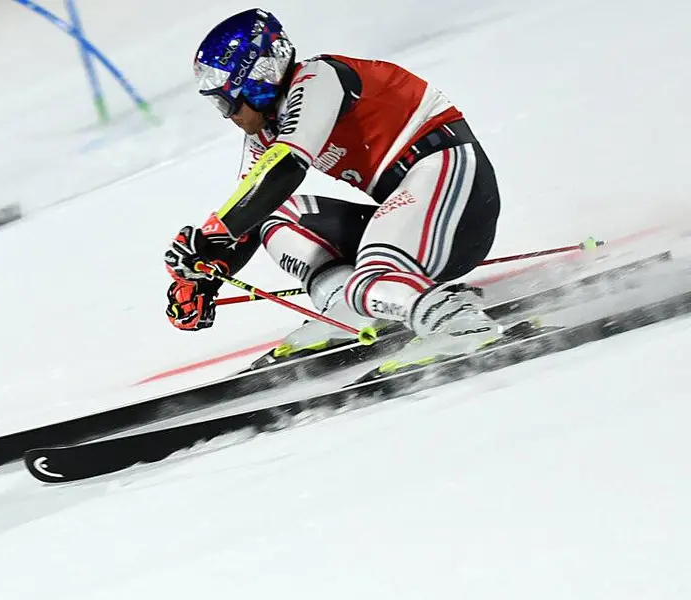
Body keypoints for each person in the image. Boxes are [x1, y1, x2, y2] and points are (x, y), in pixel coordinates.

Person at [164, 8, 504, 373]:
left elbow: (286, 167)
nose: (228, 114)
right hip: (418, 215)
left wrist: (215, 232)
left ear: (259, 77)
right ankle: (354, 312)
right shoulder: (266, 130)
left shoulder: (319, 78)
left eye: (227, 100)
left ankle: (457, 322)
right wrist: (204, 272)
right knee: (278, 218)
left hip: (453, 185)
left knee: (367, 282)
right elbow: (251, 208)